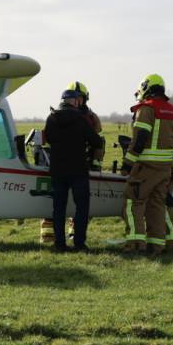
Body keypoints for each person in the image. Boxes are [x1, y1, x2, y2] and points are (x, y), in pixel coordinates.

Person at [122, 74, 173, 255]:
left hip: (146, 167)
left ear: (146, 88)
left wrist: (128, 163)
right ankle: (157, 245)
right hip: (165, 169)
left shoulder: (146, 109)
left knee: (133, 202)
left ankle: (135, 244)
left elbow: (139, 138)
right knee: (157, 205)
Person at [43, 88, 103, 251]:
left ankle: (59, 244)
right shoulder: (81, 119)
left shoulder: (51, 118)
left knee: (58, 208)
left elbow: (48, 138)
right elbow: (97, 142)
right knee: (82, 208)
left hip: (57, 170)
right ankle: (79, 243)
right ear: (76, 101)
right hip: (78, 170)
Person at [66, 81, 105, 169]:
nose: (76, 101)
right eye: (73, 98)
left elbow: (100, 141)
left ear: (85, 99)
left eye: (79, 98)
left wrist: (95, 166)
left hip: (85, 161)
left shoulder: (92, 118)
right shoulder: (58, 116)